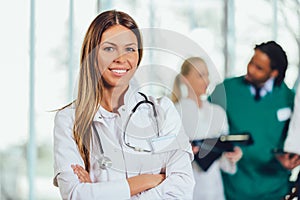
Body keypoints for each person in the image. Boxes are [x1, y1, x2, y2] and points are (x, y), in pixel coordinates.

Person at [53, 10, 195, 199]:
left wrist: (99, 192)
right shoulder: (69, 120)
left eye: (129, 49)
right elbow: (75, 194)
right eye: (109, 48)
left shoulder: (162, 112)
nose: (121, 58)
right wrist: (147, 180)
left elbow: (181, 191)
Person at [210, 41, 295, 200]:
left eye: (259, 68)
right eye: (251, 63)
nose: (251, 69)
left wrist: (291, 159)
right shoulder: (226, 90)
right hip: (233, 190)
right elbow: (205, 130)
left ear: (274, 73)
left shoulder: (290, 99)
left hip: (275, 190)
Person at [171, 57, 243, 200]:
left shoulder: (218, 113)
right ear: (185, 79)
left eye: (207, 75)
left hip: (215, 189)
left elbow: (224, 156)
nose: (207, 80)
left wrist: (233, 154)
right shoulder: (173, 112)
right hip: (185, 190)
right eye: (200, 75)